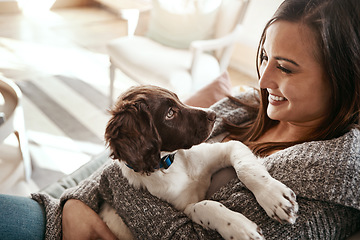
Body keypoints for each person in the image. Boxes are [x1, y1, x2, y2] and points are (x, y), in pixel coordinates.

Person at [1, 0, 360, 239]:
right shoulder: (251, 104)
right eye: (265, 56)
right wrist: (75, 203)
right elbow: (132, 157)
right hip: (66, 217)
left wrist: (104, 192)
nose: (263, 81)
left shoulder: (334, 171)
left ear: (344, 77)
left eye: (284, 67)